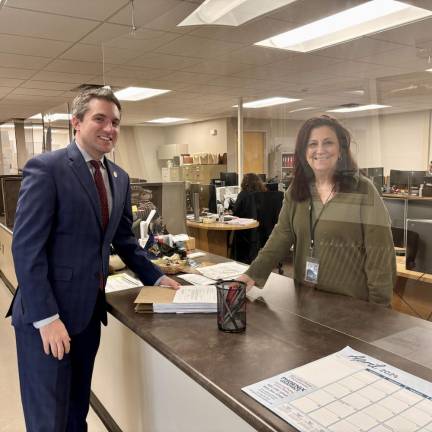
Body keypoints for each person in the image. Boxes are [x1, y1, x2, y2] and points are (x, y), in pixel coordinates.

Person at [6, 87, 179, 431]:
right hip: (48, 318)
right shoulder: (47, 168)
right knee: (48, 419)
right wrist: (46, 318)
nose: (109, 128)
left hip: (87, 315)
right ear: (77, 122)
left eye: (115, 122)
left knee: (75, 411)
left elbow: (124, 239)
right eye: (100, 119)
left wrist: (156, 277)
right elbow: (27, 248)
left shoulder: (119, 177)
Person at [238, 116, 396, 306]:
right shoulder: (296, 192)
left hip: (352, 307)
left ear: (341, 150)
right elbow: (280, 237)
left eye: (328, 143)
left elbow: (380, 254)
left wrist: (380, 309)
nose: (319, 150)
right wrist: (251, 275)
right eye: (312, 144)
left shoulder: (363, 190)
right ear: (304, 152)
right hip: (305, 302)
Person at [231, 173, 266, 263]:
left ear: (244, 183)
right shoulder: (263, 194)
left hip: (244, 233)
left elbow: (235, 212)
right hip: (258, 233)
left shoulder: (243, 194)